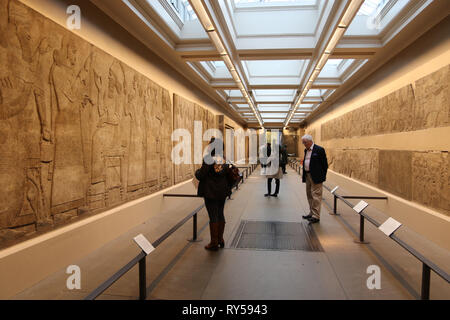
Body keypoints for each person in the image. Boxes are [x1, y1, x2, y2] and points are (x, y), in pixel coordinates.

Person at [195, 138, 234, 251]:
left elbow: (201, 175)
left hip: (210, 192)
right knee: (220, 213)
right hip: (222, 191)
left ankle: (214, 242)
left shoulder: (208, 159)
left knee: (213, 216)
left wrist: (197, 172)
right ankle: (220, 239)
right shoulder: (224, 158)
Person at [301, 135, 328, 224]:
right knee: (309, 195)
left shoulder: (319, 150)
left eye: (305, 142)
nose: (304, 144)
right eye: (303, 142)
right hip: (307, 175)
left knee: (316, 195)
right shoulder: (306, 150)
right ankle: (311, 213)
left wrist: (322, 176)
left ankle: (316, 216)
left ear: (310, 141)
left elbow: (325, 165)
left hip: (316, 176)